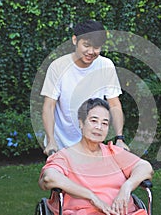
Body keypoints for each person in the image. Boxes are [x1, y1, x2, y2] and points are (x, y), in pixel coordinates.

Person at [39, 98, 154, 215]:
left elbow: (145, 167)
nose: (99, 127)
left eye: (104, 123)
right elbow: (49, 178)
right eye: (94, 121)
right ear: (81, 123)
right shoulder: (65, 156)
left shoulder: (113, 152)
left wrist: (127, 186)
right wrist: (92, 197)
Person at [41, 20, 129, 155]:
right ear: (75, 40)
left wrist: (119, 138)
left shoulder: (106, 66)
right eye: (86, 45)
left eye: (96, 47)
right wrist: (51, 141)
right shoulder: (58, 67)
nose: (91, 52)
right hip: (61, 145)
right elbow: (49, 106)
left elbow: (114, 104)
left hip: (92, 145)